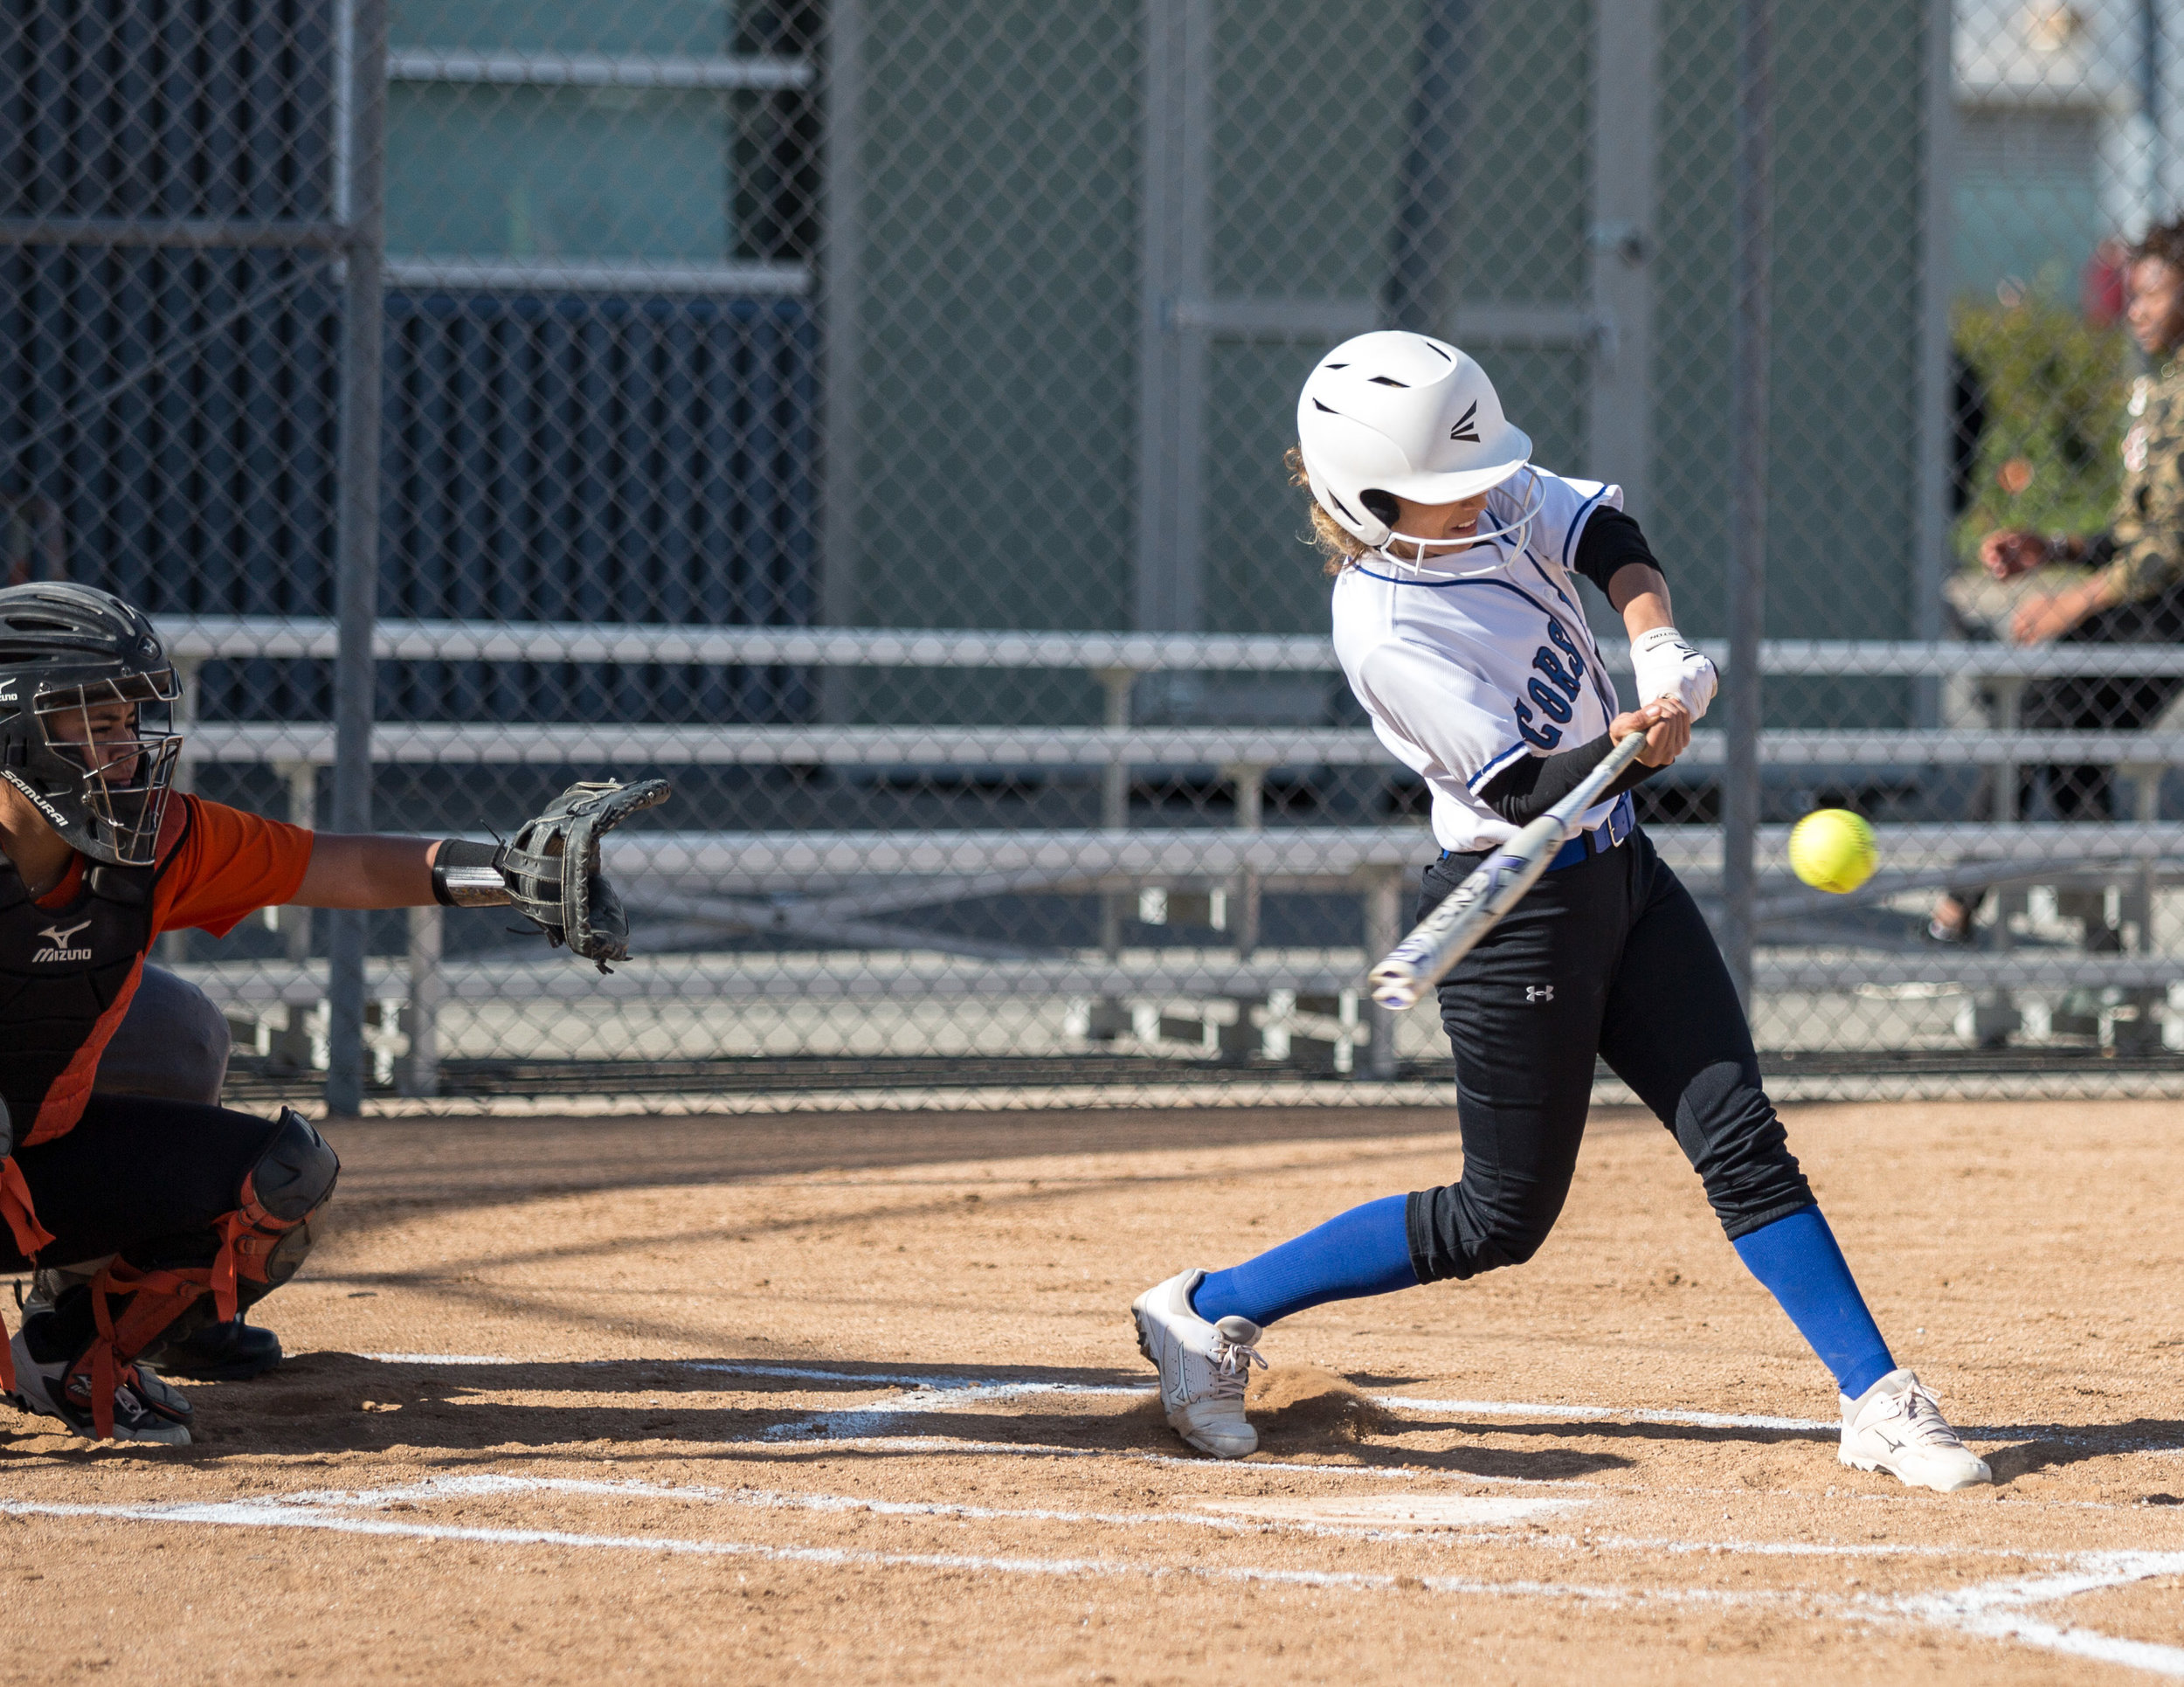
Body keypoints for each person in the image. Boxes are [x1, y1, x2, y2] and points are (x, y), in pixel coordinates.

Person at [1130, 332, 1990, 1493]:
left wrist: (1656, 644)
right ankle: (1208, 1307)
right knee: (1499, 1217)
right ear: (1369, 501)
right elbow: (1526, 788)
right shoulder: (1385, 631)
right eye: (1450, 491)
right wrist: (1641, 741)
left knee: (1738, 1133)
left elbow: (1604, 536)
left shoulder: (1489, 486)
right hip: (1518, 910)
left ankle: (1878, 1395)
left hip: (1620, 869)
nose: (1488, 497)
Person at [0, 581, 658, 1443]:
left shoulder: (156, 842)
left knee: (270, 1160)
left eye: (128, 721)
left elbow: (332, 866)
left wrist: (502, 871)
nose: (123, 749)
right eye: (90, 722)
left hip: (37, 1160)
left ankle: (68, 1345)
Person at [1932, 218, 2184, 943]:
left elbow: (2166, 551)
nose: (2134, 310)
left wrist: (2072, 600)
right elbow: (2134, 534)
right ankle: (2094, 934)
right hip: (2137, 608)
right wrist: (2054, 547)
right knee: (2063, 727)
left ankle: (1964, 899)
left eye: (2154, 295)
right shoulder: (2159, 388)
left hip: (2165, 620)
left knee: (2044, 707)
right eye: (2131, 295)